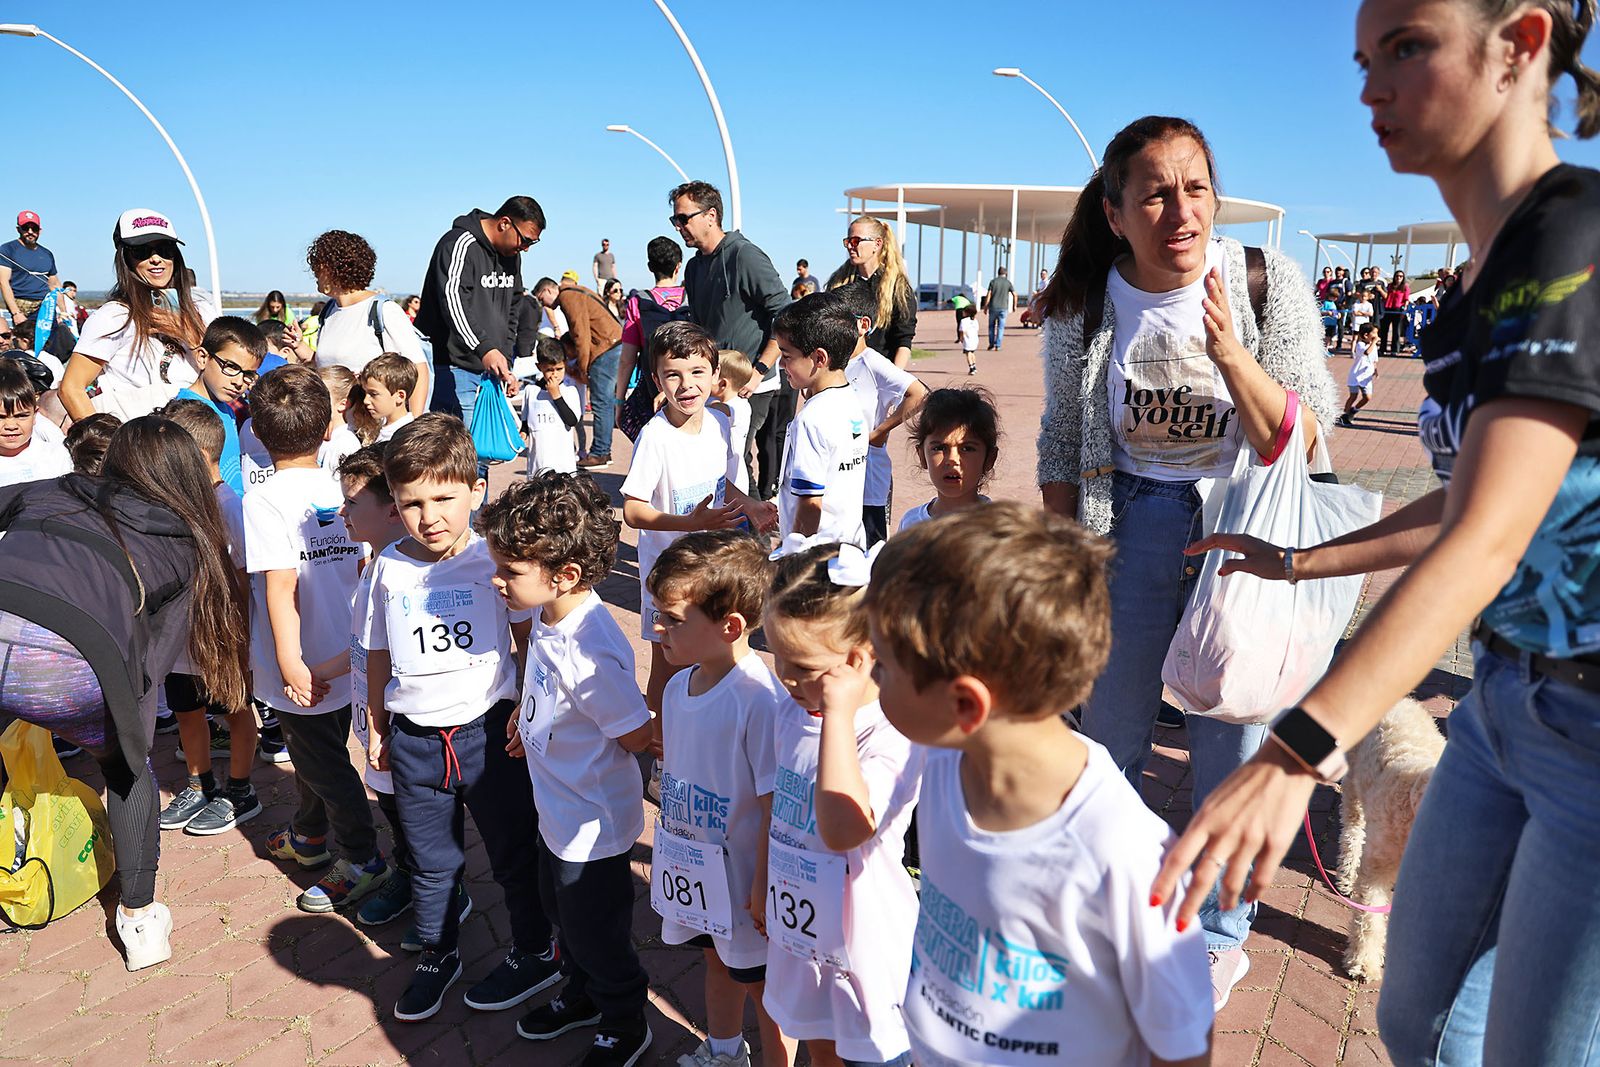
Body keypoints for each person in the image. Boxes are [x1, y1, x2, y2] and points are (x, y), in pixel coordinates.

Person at [1155, 5, 1600, 1064]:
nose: (1367, 88)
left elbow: (1488, 536)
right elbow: (1465, 498)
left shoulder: (1572, 237)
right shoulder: (1470, 287)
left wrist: (1299, 747)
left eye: (1405, 48)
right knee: (1418, 1017)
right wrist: (1298, 558)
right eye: (1364, 59)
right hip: (1501, 697)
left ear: (1518, 42)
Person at [1033, 114, 1340, 1008]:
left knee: (1230, 746)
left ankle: (1218, 934)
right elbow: (1059, 439)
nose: (1180, 209)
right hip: (1126, 525)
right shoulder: (1088, 298)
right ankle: (1111, 899)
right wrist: (1067, 559)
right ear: (1116, 210)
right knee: (1111, 737)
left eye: (1196, 186)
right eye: (1156, 192)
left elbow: (1307, 427)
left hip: (1242, 529)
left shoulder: (1266, 282)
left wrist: (1232, 356)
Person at [866, 503, 1214, 1067]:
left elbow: (1181, 1045)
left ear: (963, 704)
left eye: (881, 665)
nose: (868, 674)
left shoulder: (1125, 855)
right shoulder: (942, 761)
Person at [0, 416, 249, 970]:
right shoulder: (188, 544)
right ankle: (139, 921)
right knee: (128, 773)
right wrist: (126, 734)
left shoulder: (54, 488)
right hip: (79, 661)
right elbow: (150, 664)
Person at [362, 415, 559, 1023]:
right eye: (412, 503)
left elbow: (528, 641)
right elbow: (377, 652)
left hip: (489, 734)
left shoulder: (494, 560)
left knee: (512, 854)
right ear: (394, 504)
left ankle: (534, 949)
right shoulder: (386, 569)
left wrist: (527, 712)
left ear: (476, 489)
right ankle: (438, 951)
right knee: (429, 860)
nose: (430, 517)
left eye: (445, 497)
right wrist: (374, 726)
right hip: (416, 740)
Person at [481, 473, 655, 1065]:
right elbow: (544, 682)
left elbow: (635, 732)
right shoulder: (549, 619)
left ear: (565, 576)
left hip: (593, 827)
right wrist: (526, 723)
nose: (496, 580)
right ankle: (582, 995)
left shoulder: (591, 650)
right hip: (557, 815)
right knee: (563, 919)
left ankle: (625, 1019)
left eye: (509, 570)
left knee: (597, 934)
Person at [761, 541, 923, 1067]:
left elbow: (845, 829)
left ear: (856, 660)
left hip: (864, 943)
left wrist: (836, 714)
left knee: (869, 1052)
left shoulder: (892, 733)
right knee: (818, 1040)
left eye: (801, 665)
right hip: (803, 931)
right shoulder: (791, 710)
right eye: (777, 658)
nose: (785, 677)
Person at [646, 531, 793, 1067]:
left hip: (746, 886)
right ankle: (726, 1051)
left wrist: (762, 885)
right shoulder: (676, 687)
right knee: (714, 961)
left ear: (730, 626)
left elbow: (777, 804)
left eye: (673, 618)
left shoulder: (759, 700)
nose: (658, 627)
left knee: (766, 993)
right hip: (699, 874)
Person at [246, 365, 389, 913]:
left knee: (322, 762)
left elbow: (279, 587)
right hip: (346, 645)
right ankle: (308, 838)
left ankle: (361, 857)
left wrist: (289, 662)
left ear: (257, 431)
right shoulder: (338, 486)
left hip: (302, 658)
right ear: (328, 426)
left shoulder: (264, 497)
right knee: (319, 750)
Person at [620, 321, 774, 722]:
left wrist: (752, 507)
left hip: (711, 566)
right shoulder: (654, 438)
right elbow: (633, 510)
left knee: (711, 655)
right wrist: (689, 522)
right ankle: (660, 748)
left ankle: (703, 730)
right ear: (657, 380)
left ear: (715, 375)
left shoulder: (720, 423)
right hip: (667, 576)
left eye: (696, 372)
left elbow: (719, 481)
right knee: (667, 663)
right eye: (673, 374)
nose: (686, 384)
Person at [153, 398, 262, 836]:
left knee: (234, 710)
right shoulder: (177, 505)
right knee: (187, 711)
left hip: (220, 635)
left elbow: (245, 578)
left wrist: (242, 635)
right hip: (181, 634)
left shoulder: (229, 507)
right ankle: (200, 784)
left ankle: (241, 789)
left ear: (196, 457)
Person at [671, 180, 791, 499]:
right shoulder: (695, 267)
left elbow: (784, 313)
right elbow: (698, 327)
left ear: (711, 215)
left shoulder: (744, 255)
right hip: (713, 381)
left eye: (684, 218)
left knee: (734, 455)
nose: (678, 226)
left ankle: (756, 538)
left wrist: (760, 369)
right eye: (675, 220)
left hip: (752, 381)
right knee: (717, 455)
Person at [60, 209, 216, 422]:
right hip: (140, 442)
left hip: (203, 433)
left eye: (165, 249)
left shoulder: (202, 310)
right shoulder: (114, 317)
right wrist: (105, 445)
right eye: (142, 251)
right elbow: (71, 388)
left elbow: (231, 370)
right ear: (125, 259)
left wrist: (192, 335)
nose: (156, 259)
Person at [415, 196, 544, 438]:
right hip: (454, 365)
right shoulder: (459, 243)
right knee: (460, 453)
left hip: (489, 369)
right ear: (504, 223)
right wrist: (484, 348)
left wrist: (504, 359)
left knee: (482, 453)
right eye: (525, 240)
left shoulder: (512, 256)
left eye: (532, 243)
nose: (525, 248)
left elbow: (512, 309)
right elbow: (452, 300)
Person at [830, 285, 928, 545]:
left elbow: (919, 394)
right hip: (837, 472)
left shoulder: (872, 363)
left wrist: (879, 432)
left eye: (838, 322)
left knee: (870, 549)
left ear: (863, 325)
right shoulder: (832, 363)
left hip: (869, 476)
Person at [772, 294, 869, 547]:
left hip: (814, 557)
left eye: (787, 356)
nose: (781, 364)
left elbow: (810, 504)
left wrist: (791, 554)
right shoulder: (851, 400)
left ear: (819, 359)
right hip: (848, 545)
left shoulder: (811, 419)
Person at [306, 230, 431, 416]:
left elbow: (418, 369)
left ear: (334, 268)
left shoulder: (384, 310)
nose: (314, 271)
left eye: (319, 264)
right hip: (334, 429)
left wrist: (414, 425)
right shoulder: (329, 311)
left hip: (375, 433)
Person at [175, 316, 265, 497]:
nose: (239, 382)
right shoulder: (185, 415)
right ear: (202, 358)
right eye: (231, 367)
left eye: (248, 374)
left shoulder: (226, 409)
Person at [895, 385, 999, 533]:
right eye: (939, 448)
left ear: (989, 458)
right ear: (922, 456)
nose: (952, 459)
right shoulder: (911, 524)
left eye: (967, 448)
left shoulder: (998, 528)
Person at [825, 215, 918, 368]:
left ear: (877, 244)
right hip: (844, 373)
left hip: (881, 371)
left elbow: (904, 338)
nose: (850, 246)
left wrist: (893, 379)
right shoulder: (838, 283)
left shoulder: (898, 286)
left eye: (856, 241)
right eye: (848, 241)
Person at [0, 357, 72, 487]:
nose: (11, 426)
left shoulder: (57, 457)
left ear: (35, 415)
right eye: (1, 417)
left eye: (21, 416)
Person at [520, 338, 581, 476]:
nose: (555, 374)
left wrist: (556, 395)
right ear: (539, 367)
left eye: (559, 369)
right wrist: (522, 434)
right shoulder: (531, 391)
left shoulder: (570, 391)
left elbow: (571, 421)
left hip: (563, 466)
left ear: (565, 364)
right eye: (549, 370)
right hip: (538, 465)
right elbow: (526, 424)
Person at [0, 210, 58, 327]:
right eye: (26, 228)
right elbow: (3, 282)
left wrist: (63, 312)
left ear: (39, 231)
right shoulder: (7, 250)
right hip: (22, 308)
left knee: (53, 342)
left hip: (45, 308)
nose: (30, 232)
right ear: (18, 229)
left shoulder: (47, 254)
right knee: (26, 343)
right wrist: (16, 313)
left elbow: (54, 285)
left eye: (34, 228)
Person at [709, 349, 755, 491]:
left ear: (722, 384)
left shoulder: (738, 406)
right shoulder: (713, 399)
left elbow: (722, 410)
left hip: (732, 479)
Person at [360, 353, 418, 443]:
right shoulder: (383, 427)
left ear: (400, 396)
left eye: (373, 394)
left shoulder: (404, 438)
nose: (365, 400)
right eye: (365, 393)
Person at [1341, 322, 1381, 426]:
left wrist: (1375, 370)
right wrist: (1374, 342)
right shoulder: (1360, 345)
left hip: (1366, 377)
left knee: (1367, 397)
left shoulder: (1374, 347)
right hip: (1355, 375)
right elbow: (1367, 352)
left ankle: (1354, 410)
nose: (1376, 336)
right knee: (1353, 396)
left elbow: (1374, 360)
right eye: (1374, 333)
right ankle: (1345, 415)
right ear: (1366, 335)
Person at [1379, 268, 1412, 355]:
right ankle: (1382, 349)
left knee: (1396, 330)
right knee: (1384, 330)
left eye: (1401, 276)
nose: (1398, 278)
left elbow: (1406, 299)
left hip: (1398, 310)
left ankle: (1394, 349)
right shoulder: (1390, 286)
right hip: (1388, 308)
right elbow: (1385, 296)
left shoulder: (1405, 287)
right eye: (1397, 276)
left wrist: (1404, 309)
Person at [982, 265, 1016, 350]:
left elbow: (989, 294)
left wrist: (985, 306)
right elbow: (1015, 294)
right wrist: (1014, 306)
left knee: (991, 326)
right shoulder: (1008, 283)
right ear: (1006, 273)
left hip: (993, 307)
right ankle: (998, 345)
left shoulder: (993, 282)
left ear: (998, 273)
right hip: (1003, 307)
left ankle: (991, 343)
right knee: (1001, 327)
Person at [958, 304, 979, 374]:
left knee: (968, 353)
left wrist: (961, 338)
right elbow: (977, 329)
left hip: (967, 339)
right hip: (975, 338)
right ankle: (974, 366)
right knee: (972, 352)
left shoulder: (963, 321)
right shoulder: (975, 320)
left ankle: (971, 367)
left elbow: (962, 331)